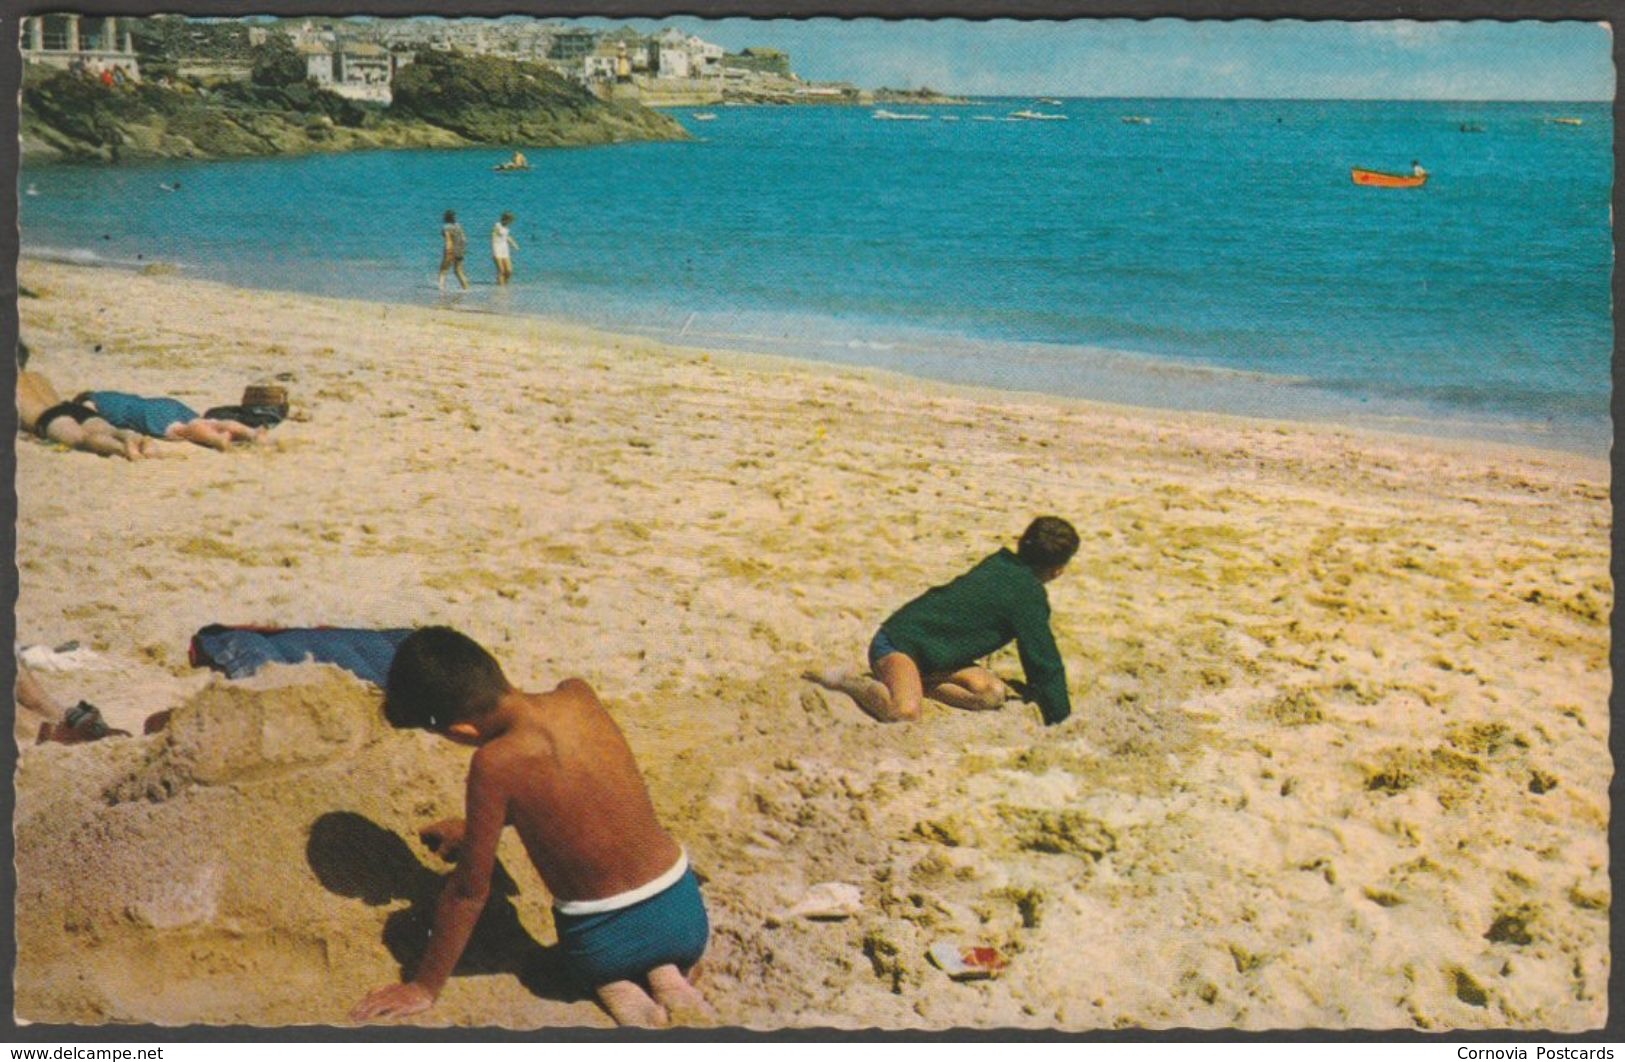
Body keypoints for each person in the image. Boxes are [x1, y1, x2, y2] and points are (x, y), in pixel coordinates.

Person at [350, 627, 712, 1028]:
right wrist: (474, 828)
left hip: (599, 943)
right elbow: (574, 795)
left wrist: (423, 987)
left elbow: (470, 893)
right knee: (657, 936)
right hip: (683, 910)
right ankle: (667, 971)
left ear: (461, 731)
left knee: (605, 962)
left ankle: (619, 983)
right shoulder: (578, 694)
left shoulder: (493, 763)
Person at [806, 516, 1079, 725]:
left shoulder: (1002, 563)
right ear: (1057, 569)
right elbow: (1044, 663)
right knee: (904, 713)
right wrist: (1061, 720)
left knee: (991, 694)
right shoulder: (1026, 595)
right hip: (898, 644)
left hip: (937, 657)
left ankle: (915, 683)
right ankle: (847, 682)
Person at [17, 345, 152, 460]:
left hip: (48, 417)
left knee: (82, 439)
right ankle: (130, 437)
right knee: (110, 430)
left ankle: (122, 449)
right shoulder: (38, 377)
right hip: (72, 408)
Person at [76, 390, 262, 450]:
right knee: (207, 422)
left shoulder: (99, 406)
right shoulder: (109, 396)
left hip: (149, 414)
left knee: (185, 429)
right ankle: (251, 433)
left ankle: (216, 440)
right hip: (163, 403)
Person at [439, 210, 469, 291]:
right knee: (459, 271)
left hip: (451, 250)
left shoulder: (446, 227)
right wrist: (463, 250)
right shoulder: (458, 226)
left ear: (445, 217)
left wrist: (448, 251)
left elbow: (448, 240)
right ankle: (466, 289)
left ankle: (441, 289)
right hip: (460, 250)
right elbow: (464, 239)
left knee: (443, 270)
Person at [491, 212, 519, 286]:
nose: (510, 222)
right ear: (505, 219)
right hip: (497, 248)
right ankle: (501, 288)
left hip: (505, 249)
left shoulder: (506, 228)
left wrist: (513, 244)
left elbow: (507, 236)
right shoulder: (497, 225)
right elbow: (493, 235)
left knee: (509, 271)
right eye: (510, 220)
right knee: (501, 270)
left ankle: (504, 285)